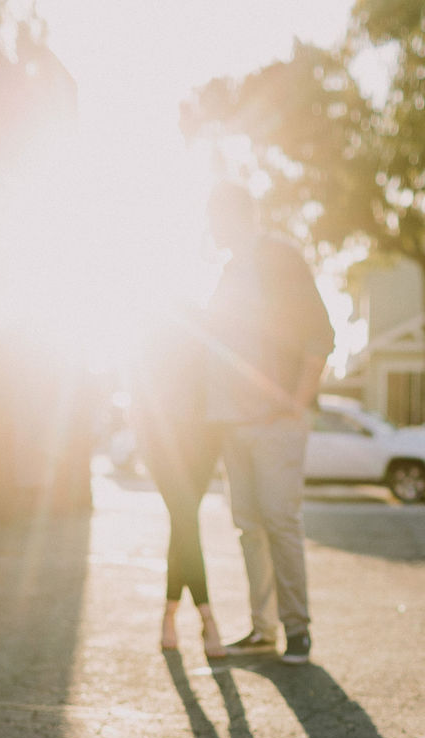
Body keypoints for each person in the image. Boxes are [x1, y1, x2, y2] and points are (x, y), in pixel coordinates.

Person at [205, 183, 334, 665]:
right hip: (232, 423)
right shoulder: (227, 272)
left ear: (236, 215)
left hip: (274, 421)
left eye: (214, 215)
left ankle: (297, 630)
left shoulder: (279, 257)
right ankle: (264, 629)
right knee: (249, 527)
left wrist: (294, 403)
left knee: (280, 522)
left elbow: (321, 334)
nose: (210, 227)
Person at [131, 310, 225, 658]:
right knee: (186, 521)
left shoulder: (207, 351)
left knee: (182, 526)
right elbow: (139, 404)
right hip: (165, 453)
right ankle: (207, 618)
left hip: (201, 451)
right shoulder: (151, 351)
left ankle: (169, 614)